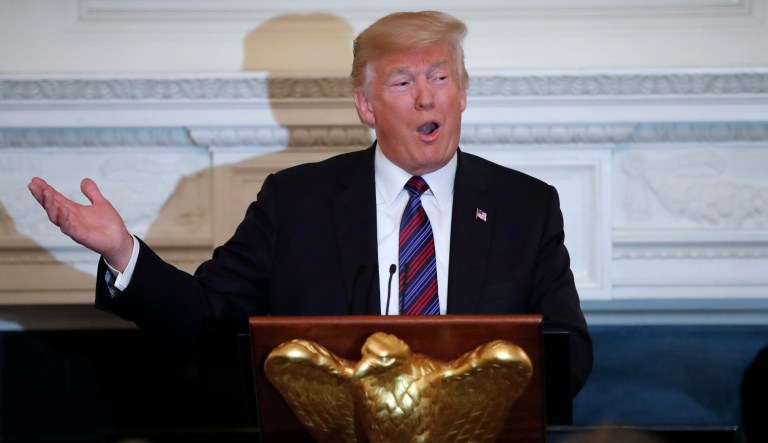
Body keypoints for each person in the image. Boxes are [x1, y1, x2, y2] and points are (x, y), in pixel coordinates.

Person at [28, 11, 593, 394]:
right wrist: (123, 251)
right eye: (402, 83)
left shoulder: (526, 207)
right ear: (366, 106)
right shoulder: (295, 202)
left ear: (463, 92)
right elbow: (205, 317)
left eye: (440, 76)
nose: (426, 96)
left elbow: (570, 356)